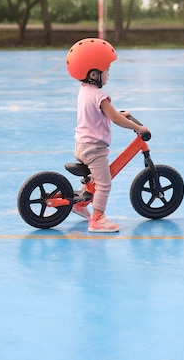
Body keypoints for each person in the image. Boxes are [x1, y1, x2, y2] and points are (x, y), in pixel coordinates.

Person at [66, 38, 149, 233]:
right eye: (107, 70)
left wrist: (121, 114)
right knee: (104, 183)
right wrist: (138, 128)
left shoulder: (85, 91)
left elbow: (102, 114)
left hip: (82, 145)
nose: (109, 74)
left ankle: (78, 204)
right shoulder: (100, 97)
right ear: (94, 73)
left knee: (94, 181)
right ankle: (97, 219)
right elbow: (114, 118)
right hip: (95, 149)